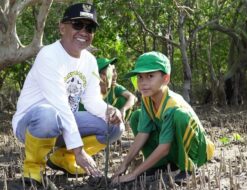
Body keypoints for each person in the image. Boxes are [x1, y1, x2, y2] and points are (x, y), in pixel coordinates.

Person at [12, 2, 124, 186]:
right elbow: (59, 106)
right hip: (33, 125)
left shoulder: (90, 61)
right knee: (48, 113)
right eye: (77, 25)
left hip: (65, 123)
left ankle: (63, 158)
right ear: (62, 28)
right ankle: (33, 171)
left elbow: (92, 100)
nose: (84, 32)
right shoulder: (49, 55)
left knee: (114, 126)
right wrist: (80, 150)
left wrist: (109, 109)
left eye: (90, 28)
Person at [112, 51, 215, 184]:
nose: (143, 83)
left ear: (165, 78)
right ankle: (159, 166)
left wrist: (133, 174)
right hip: (173, 149)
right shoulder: (147, 98)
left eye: (150, 76)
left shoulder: (172, 104)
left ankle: (189, 169)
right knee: (136, 117)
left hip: (197, 152)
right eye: (140, 77)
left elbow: (164, 147)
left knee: (180, 116)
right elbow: (143, 133)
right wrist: (124, 165)